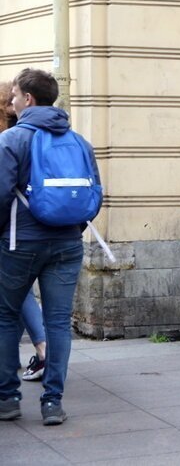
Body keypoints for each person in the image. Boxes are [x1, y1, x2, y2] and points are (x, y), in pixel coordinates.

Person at [0, 69, 101, 426]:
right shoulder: (79, 141)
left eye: (14, 95)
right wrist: (71, 226)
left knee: (5, 316)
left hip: (20, 243)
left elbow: (0, 194)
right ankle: (53, 402)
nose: (11, 101)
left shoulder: (12, 140)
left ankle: (8, 398)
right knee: (58, 322)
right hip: (68, 244)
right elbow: (95, 194)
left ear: (28, 99)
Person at [0, 81, 46, 381]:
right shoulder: (39, 133)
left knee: (14, 294)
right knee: (16, 294)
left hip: (14, 230)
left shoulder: (9, 138)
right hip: (43, 228)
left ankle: (43, 349)